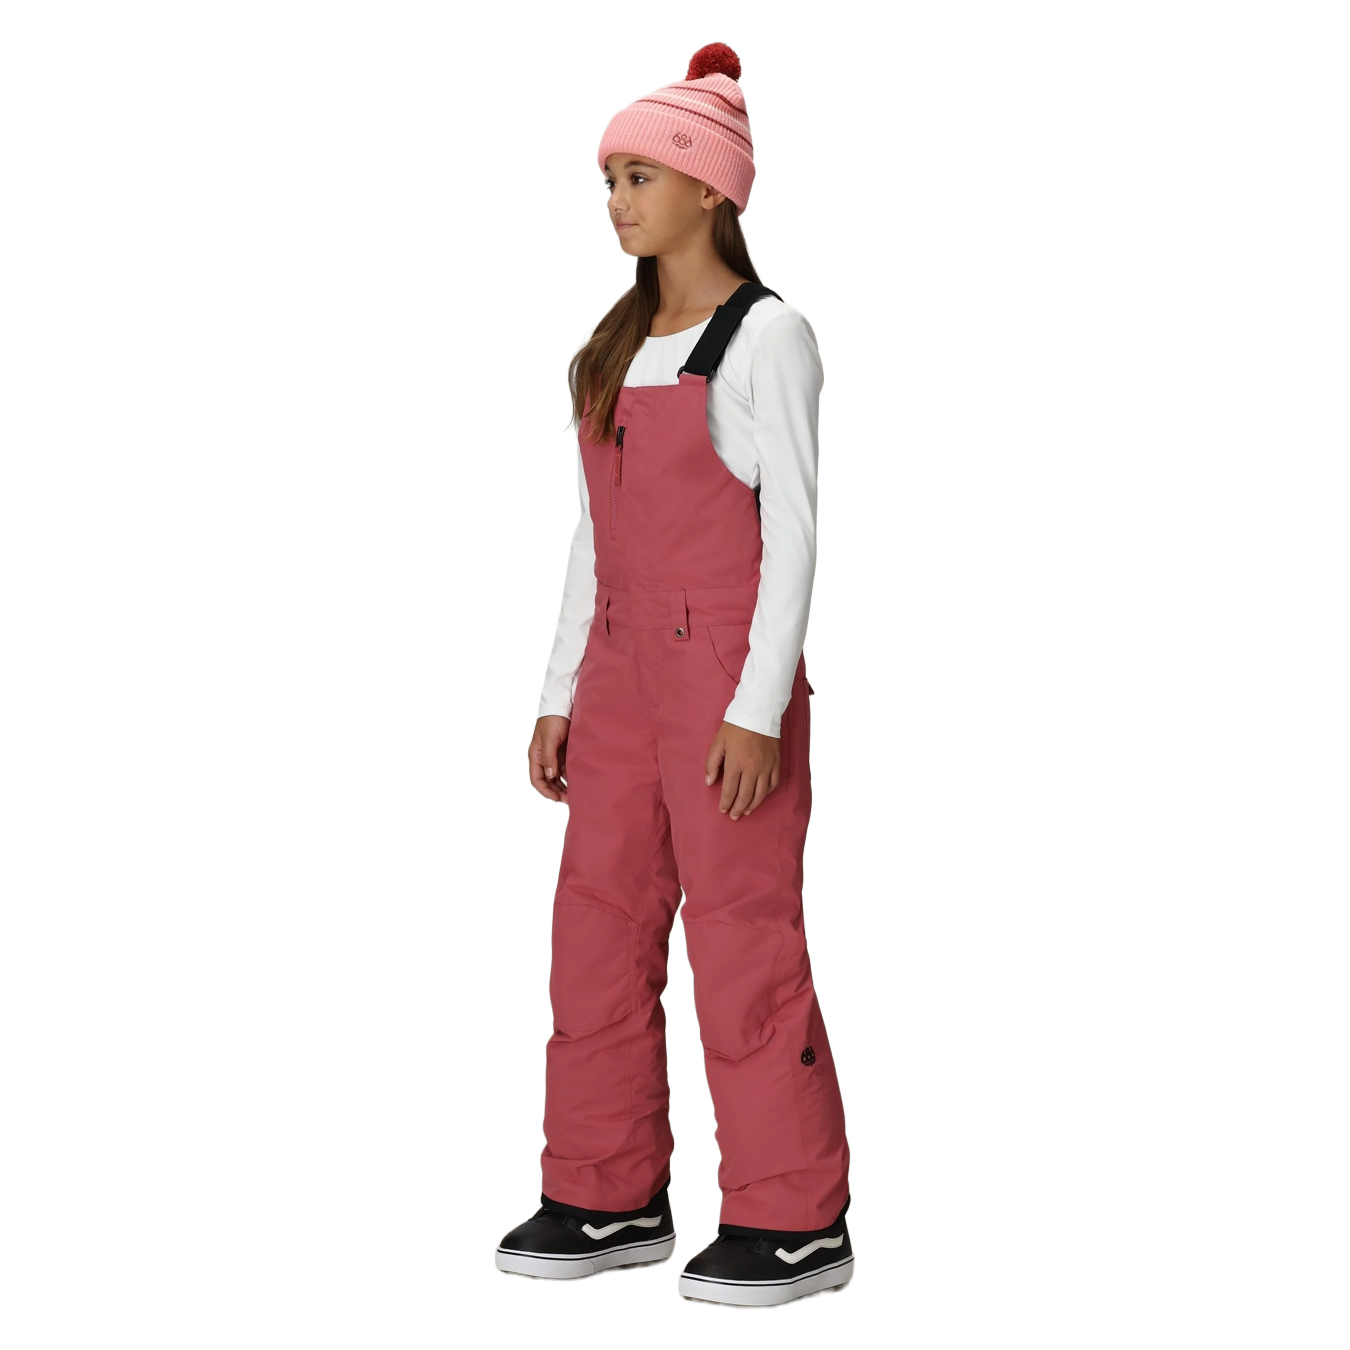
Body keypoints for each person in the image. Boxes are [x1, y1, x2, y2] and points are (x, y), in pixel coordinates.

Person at [495, 42, 854, 1310]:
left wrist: (757, 711)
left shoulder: (769, 336)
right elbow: (595, 541)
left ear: (712, 187)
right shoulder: (616, 346)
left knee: (742, 936)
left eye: (640, 176)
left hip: (722, 683)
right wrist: (560, 692)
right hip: (616, 679)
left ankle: (796, 1216)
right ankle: (606, 1191)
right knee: (594, 929)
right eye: (609, 180)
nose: (618, 202)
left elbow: (795, 535)